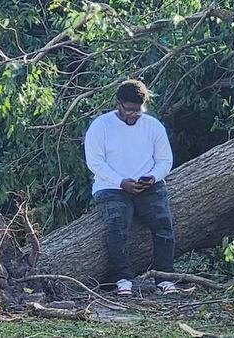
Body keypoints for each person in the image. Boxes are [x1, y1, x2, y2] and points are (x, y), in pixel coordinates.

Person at [84, 79, 177, 296]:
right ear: (119, 104)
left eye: (139, 110)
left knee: (163, 224)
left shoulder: (153, 126)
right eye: (129, 110)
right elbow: (95, 162)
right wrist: (120, 181)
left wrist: (152, 177)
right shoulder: (101, 125)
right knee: (117, 226)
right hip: (111, 186)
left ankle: (165, 277)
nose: (134, 114)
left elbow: (165, 160)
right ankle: (123, 279)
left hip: (147, 185)